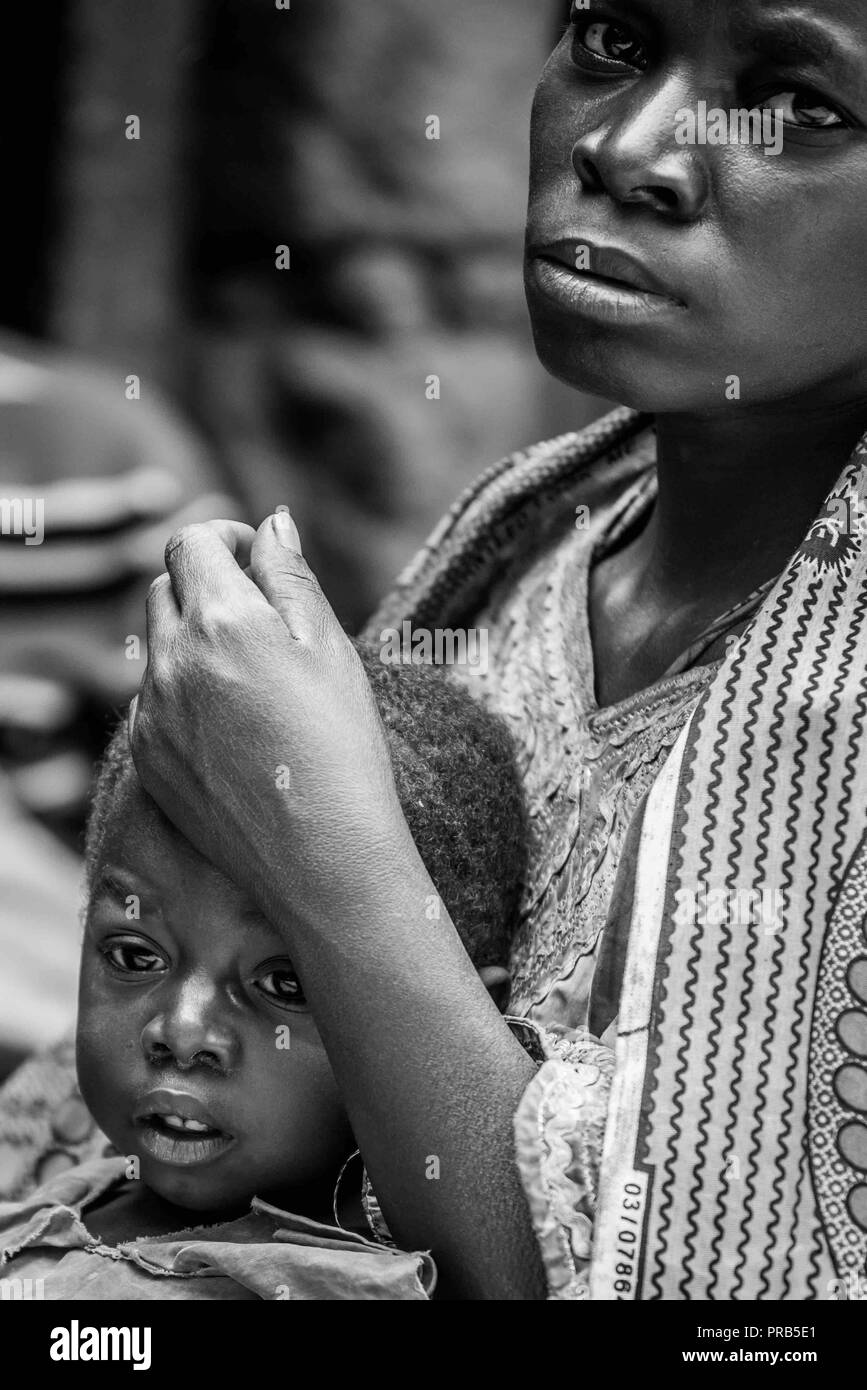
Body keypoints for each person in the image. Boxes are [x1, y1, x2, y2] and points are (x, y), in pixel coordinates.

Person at [3, 0, 867, 1300]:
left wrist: (320, 847)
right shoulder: (521, 545)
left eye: (797, 105)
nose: (627, 149)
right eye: (614, 41)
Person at [0, 644, 529, 1299]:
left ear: (447, 1034)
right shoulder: (65, 1170)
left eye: (286, 985)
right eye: (135, 956)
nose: (182, 1032)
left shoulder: (328, 1287)